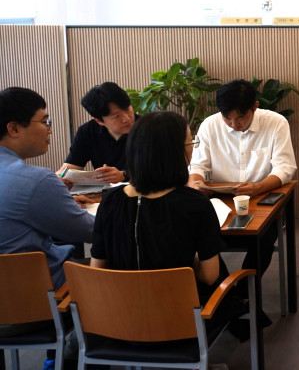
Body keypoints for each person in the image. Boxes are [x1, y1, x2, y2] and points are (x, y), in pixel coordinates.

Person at [90, 111, 241, 339]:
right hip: (179, 326)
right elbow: (209, 277)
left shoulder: (110, 201)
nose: (192, 149)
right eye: (190, 143)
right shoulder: (195, 204)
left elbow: (97, 270)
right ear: (174, 153)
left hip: (117, 326)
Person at [189, 79, 296, 295]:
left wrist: (258, 187)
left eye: (240, 117)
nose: (233, 124)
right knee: (199, 236)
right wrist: (197, 183)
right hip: (221, 202)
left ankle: (241, 294)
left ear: (255, 106)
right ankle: (226, 296)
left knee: (264, 238)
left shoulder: (275, 123)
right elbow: (197, 166)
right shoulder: (210, 125)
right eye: (227, 118)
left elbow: (285, 168)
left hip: (262, 198)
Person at [0, 87, 94, 290]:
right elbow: (92, 231)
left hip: (9, 298)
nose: (49, 130)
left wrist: (61, 204)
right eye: (44, 122)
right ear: (14, 129)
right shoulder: (35, 180)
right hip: (51, 294)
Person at [61, 82, 136, 184]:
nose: (127, 119)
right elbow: (70, 167)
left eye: (127, 109)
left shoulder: (149, 128)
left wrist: (124, 175)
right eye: (117, 116)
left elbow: (156, 170)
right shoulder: (87, 132)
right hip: (105, 192)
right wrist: (60, 179)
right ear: (99, 121)